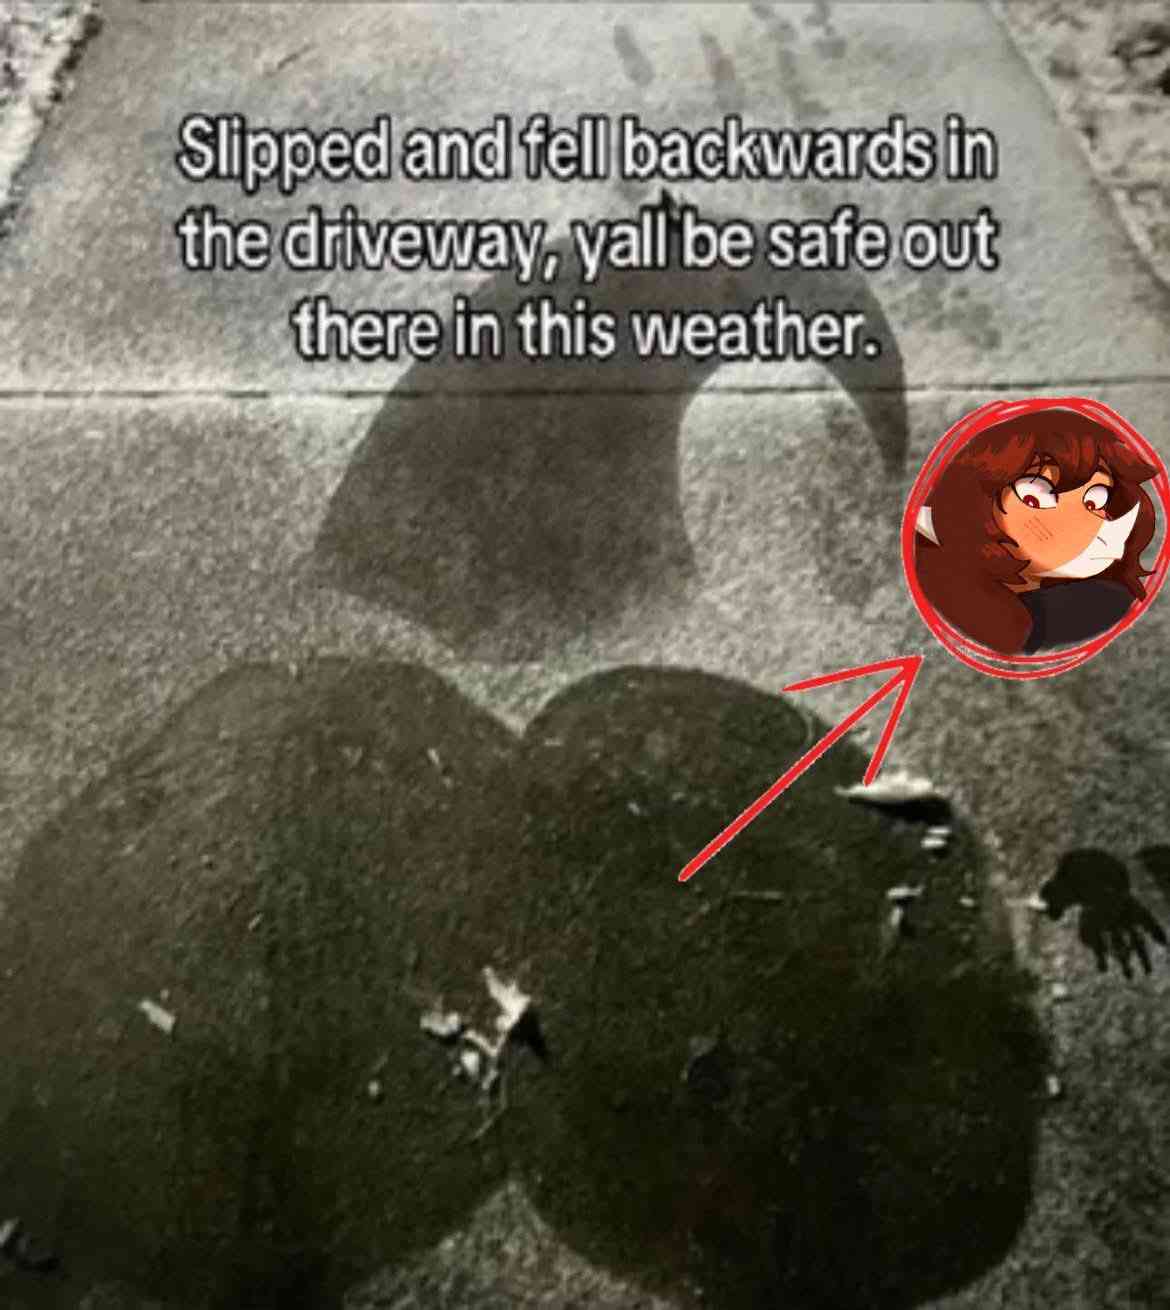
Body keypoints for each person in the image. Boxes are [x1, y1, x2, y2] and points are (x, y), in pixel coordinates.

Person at [914, 407, 1157, 655]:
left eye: (1096, 502)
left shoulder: (1098, 600)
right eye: (1035, 498)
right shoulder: (953, 580)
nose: (1088, 524)